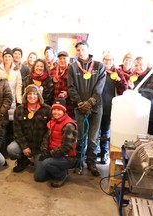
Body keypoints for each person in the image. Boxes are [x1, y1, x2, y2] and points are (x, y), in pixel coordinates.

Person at [67, 40, 106, 176]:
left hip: (96, 106)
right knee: (81, 136)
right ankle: (79, 162)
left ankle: (91, 163)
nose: (80, 52)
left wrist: (90, 102)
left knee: (93, 137)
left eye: (83, 49)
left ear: (88, 50)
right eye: (78, 50)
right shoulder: (72, 67)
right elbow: (71, 88)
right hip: (79, 107)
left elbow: (99, 87)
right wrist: (79, 103)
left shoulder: (99, 66)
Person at [7, 84, 52, 173]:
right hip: (25, 143)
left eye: (34, 94)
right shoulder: (19, 109)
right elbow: (17, 131)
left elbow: (49, 131)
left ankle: (34, 159)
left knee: (39, 175)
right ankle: (24, 159)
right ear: (26, 96)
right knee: (11, 149)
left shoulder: (47, 109)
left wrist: (44, 147)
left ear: (38, 96)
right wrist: (24, 147)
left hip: (40, 145)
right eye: (29, 94)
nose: (32, 96)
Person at [35, 98, 77, 187]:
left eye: (59, 110)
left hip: (66, 157)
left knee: (46, 163)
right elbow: (46, 138)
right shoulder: (53, 121)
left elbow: (67, 147)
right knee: (39, 177)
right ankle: (54, 170)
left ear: (64, 111)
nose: (56, 112)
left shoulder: (68, 125)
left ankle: (61, 176)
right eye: (54, 109)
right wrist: (44, 150)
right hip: (52, 153)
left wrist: (50, 154)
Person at [99, 51, 127, 164]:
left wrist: (119, 81)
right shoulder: (98, 71)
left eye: (110, 60)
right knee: (94, 131)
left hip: (109, 107)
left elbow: (124, 88)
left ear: (114, 61)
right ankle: (93, 153)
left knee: (105, 131)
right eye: (106, 59)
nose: (108, 62)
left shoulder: (117, 73)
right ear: (102, 60)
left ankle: (104, 152)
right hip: (97, 106)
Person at [0, 48, 22, 155]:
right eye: (5, 56)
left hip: (13, 101)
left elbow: (18, 87)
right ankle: (3, 150)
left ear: (12, 58)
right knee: (3, 125)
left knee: (12, 126)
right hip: (1, 101)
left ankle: (11, 150)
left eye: (9, 56)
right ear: (2, 57)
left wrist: (19, 101)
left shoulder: (16, 70)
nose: (7, 58)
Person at [49, 51, 74, 118]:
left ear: (68, 60)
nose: (62, 60)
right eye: (60, 58)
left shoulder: (73, 71)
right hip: (54, 102)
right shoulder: (52, 71)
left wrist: (68, 93)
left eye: (64, 58)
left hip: (68, 103)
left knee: (67, 122)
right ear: (57, 60)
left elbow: (77, 86)